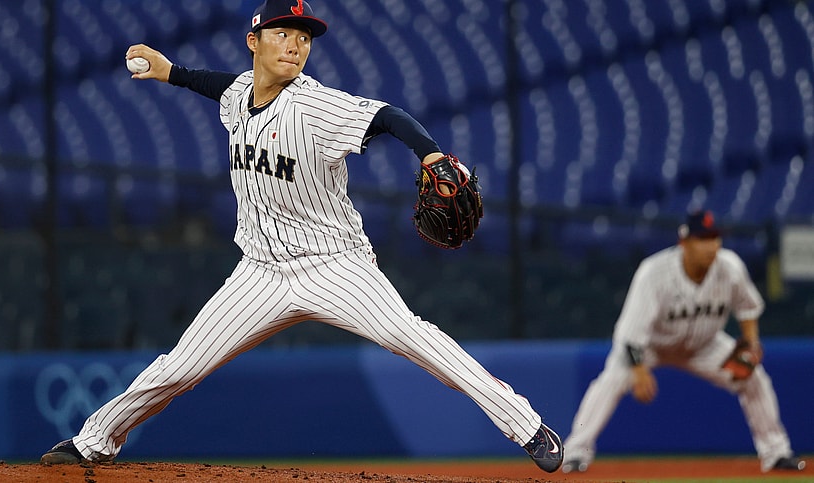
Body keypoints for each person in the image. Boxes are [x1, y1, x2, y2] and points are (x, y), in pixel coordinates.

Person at [40, 0, 563, 473]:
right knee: (178, 368)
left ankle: (528, 426)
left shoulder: (314, 106)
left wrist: (428, 153)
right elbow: (220, 86)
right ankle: (93, 441)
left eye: (304, 37)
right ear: (255, 42)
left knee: (417, 339)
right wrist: (171, 72)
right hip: (260, 272)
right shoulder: (240, 94)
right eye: (282, 32)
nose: (294, 44)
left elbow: (387, 115)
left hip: (335, 266)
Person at [562, 210, 805, 474]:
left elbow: (748, 308)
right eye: (703, 239)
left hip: (705, 346)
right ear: (684, 243)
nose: (711, 246)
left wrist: (750, 342)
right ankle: (575, 454)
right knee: (610, 382)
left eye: (714, 238)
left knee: (754, 377)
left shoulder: (730, 266)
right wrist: (639, 371)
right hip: (651, 347)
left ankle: (776, 454)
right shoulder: (654, 273)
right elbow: (629, 335)